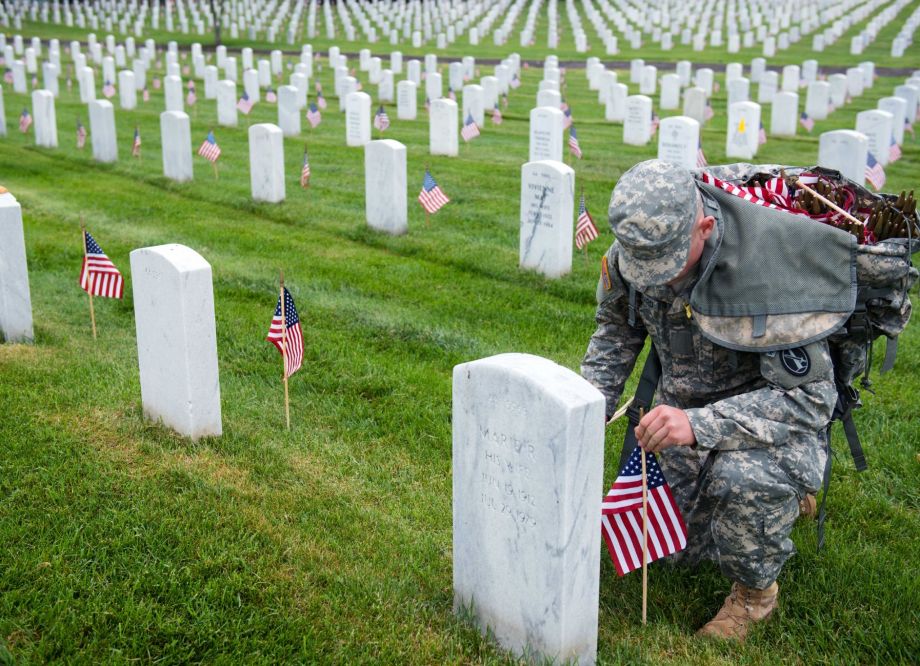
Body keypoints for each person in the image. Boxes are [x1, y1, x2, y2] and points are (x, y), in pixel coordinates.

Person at [582, 160, 837, 640]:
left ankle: (755, 597)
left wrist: (700, 425)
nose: (655, 280)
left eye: (667, 266)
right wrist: (586, 407)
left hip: (768, 426)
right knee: (678, 554)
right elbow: (616, 331)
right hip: (679, 415)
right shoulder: (638, 250)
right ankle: (783, 504)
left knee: (742, 484)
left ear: (704, 227)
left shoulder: (766, 272)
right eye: (644, 269)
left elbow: (811, 400)